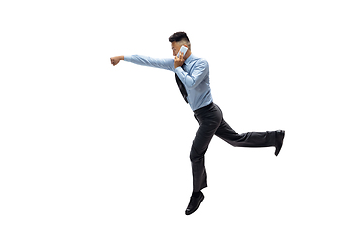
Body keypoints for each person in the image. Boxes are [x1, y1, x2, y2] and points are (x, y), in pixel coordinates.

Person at [110, 31, 285, 215]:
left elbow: (191, 83)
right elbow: (149, 60)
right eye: (171, 49)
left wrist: (177, 68)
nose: (173, 53)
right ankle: (275, 136)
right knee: (236, 139)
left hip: (210, 115)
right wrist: (122, 57)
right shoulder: (176, 63)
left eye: (175, 48)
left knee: (195, 154)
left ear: (186, 46)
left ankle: (197, 194)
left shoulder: (201, 63)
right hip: (203, 115)